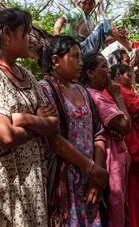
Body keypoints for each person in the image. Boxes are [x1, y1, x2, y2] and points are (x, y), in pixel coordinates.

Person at [0, 8, 58, 225]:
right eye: (25, 33)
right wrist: (38, 122)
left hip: (32, 179)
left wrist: (24, 119)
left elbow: (54, 124)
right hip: (6, 182)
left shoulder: (26, 75)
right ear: (7, 34)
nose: (31, 40)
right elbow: (4, 136)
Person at [38, 35, 108, 226]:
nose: (80, 63)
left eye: (80, 57)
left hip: (89, 179)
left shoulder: (83, 90)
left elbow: (98, 132)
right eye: (75, 57)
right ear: (56, 60)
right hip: (65, 181)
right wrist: (92, 168)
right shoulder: (46, 90)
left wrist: (96, 177)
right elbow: (55, 140)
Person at [80, 52, 132, 227]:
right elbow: (125, 126)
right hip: (109, 161)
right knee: (114, 210)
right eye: (103, 66)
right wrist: (117, 95)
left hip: (99, 160)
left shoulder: (84, 94)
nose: (108, 72)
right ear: (90, 73)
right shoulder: (97, 97)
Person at [110, 64, 139, 227]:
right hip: (128, 152)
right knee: (133, 201)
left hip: (123, 153)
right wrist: (136, 91)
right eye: (130, 76)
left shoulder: (111, 91)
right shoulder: (122, 91)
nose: (132, 80)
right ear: (118, 75)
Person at [53, 0, 130, 54]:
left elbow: (98, 40)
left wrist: (115, 35)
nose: (90, 6)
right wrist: (56, 34)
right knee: (105, 23)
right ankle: (130, 49)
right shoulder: (78, 11)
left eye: (92, 5)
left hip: (87, 46)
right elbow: (61, 20)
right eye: (87, 3)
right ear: (80, 3)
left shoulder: (90, 19)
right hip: (77, 46)